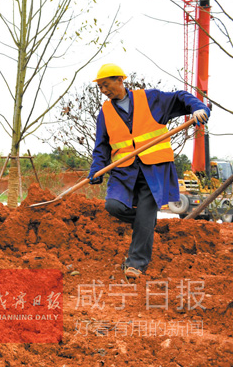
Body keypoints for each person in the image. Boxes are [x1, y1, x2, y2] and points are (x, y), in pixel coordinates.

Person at [88, 63, 210, 279]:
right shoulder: (105, 112)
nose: (104, 91)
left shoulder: (150, 99)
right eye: (100, 88)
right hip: (124, 172)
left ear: (120, 80)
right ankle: (146, 221)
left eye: (106, 85)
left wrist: (198, 108)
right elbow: (102, 145)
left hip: (154, 168)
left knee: (145, 210)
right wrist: (97, 168)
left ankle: (135, 264)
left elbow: (180, 97)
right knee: (113, 206)